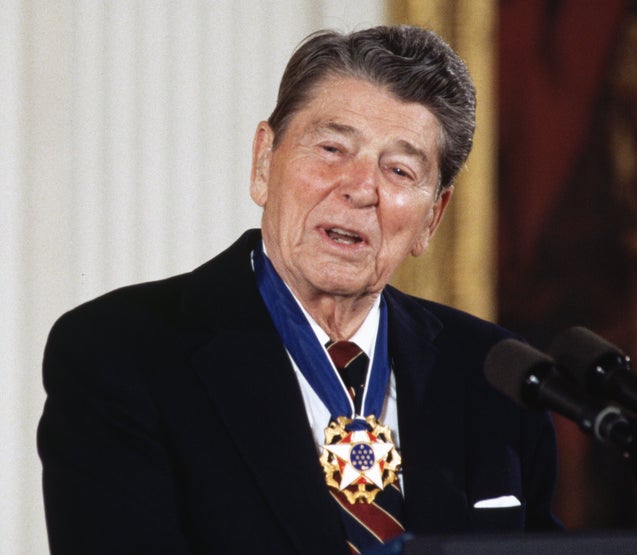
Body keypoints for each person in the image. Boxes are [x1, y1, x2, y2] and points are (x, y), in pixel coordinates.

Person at [38, 25, 560, 554]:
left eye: (400, 169)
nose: (361, 188)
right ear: (264, 161)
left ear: (433, 217)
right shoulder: (120, 354)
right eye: (332, 147)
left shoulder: (497, 379)